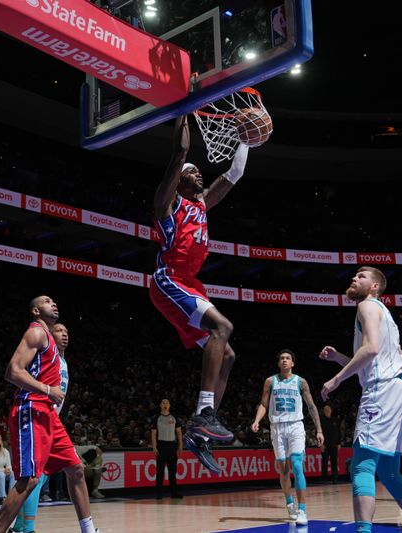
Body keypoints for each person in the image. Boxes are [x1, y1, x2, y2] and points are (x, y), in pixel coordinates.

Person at [149, 115, 250, 473]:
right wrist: (183, 111)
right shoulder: (169, 202)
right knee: (223, 327)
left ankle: (200, 430)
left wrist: (247, 140)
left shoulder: (202, 205)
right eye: (193, 173)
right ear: (179, 180)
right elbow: (178, 154)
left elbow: (233, 175)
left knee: (229, 356)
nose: (199, 175)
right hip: (168, 279)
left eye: (198, 173)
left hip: (190, 283)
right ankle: (205, 413)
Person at [319, 267, 402, 533]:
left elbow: (371, 350)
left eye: (361, 276)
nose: (354, 278)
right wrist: (338, 358)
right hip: (398, 391)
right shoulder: (384, 313)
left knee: (361, 467)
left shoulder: (367, 306)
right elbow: (371, 361)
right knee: (390, 475)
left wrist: (336, 379)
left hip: (382, 392)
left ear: (375, 287)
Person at [0, 303, 98, 533]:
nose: (54, 303)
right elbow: (13, 371)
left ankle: (89, 530)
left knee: (76, 469)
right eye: (60, 331)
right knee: (30, 480)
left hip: (50, 417)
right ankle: (12, 529)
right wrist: (48, 391)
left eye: (67, 332)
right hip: (33, 410)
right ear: (36, 311)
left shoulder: (60, 359)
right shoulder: (38, 333)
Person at [251, 349, 324, 526]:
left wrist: (319, 430)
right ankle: (289, 502)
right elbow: (263, 404)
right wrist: (257, 420)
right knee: (283, 469)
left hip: (295, 426)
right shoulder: (270, 381)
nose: (284, 360)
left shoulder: (301, 382)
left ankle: (302, 510)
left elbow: (312, 406)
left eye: (288, 358)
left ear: (292, 363)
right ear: (278, 363)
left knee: (297, 465)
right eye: (282, 358)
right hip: (277, 427)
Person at [150, 398, 183, 500]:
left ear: (169, 405)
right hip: (161, 445)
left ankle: (174, 493)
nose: (165, 404)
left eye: (167, 403)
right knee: (160, 471)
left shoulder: (174, 417)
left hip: (172, 446)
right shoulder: (156, 418)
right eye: (163, 402)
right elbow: (153, 433)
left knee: (172, 471)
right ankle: (159, 493)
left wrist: (180, 445)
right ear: (160, 405)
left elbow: (178, 432)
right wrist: (154, 447)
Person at [319, 404, 340, 484]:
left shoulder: (335, 420)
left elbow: (339, 433)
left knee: (334, 462)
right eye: (326, 410)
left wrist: (339, 443)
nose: (327, 412)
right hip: (325, 445)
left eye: (328, 410)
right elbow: (317, 433)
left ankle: (335, 479)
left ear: (331, 411)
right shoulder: (321, 421)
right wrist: (321, 444)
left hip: (334, 445)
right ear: (324, 412)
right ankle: (324, 479)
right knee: (324, 462)